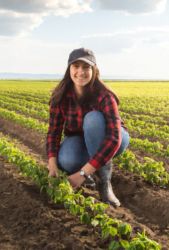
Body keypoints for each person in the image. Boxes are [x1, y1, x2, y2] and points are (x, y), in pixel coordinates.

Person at [46, 47, 129, 207]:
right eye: (76, 66)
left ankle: (104, 183)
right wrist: (52, 166)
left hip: (113, 138)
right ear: (69, 69)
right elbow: (53, 133)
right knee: (67, 161)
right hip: (81, 138)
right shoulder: (61, 95)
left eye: (86, 67)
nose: (80, 72)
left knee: (92, 118)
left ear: (94, 70)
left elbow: (113, 138)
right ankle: (90, 170)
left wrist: (82, 175)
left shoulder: (104, 95)